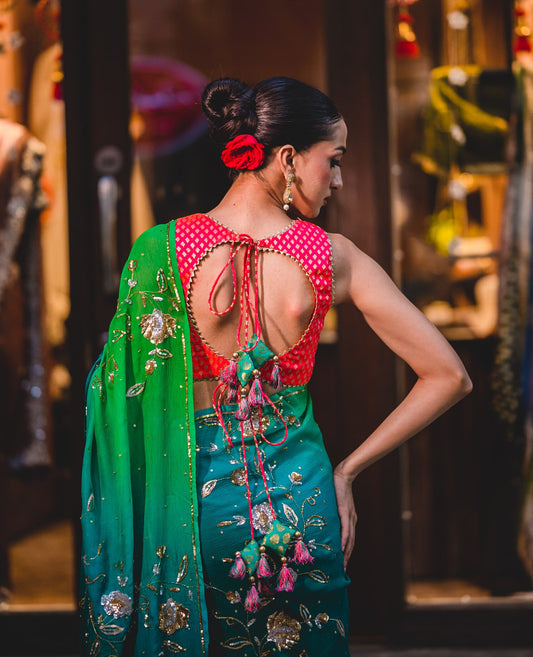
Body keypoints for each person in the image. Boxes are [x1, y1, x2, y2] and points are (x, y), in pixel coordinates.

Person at [80, 77, 472, 657]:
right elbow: (450, 376)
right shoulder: (332, 257)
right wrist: (346, 474)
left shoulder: (161, 250)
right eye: (332, 161)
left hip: (191, 514)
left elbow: (120, 397)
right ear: (288, 158)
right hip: (302, 512)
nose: (337, 180)